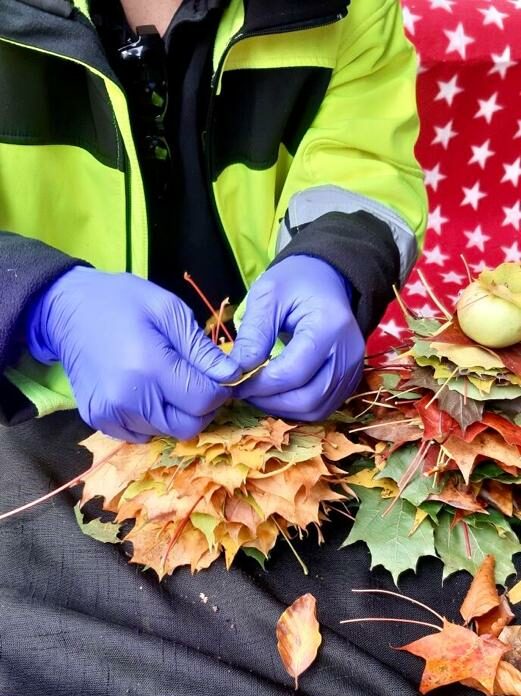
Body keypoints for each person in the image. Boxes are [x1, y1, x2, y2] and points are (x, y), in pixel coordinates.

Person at [0, 1, 467, 695]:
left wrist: (333, 261)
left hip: (280, 440)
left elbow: (362, 164)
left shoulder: (348, 7)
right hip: (22, 433)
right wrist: (36, 299)